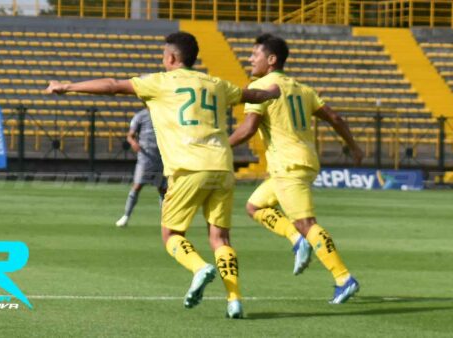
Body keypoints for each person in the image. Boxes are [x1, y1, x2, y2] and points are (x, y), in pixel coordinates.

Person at [45, 31, 280, 318]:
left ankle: (199, 267)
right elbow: (251, 94)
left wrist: (67, 86)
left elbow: (112, 85)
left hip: (188, 168)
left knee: (171, 234)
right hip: (222, 165)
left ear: (170, 57)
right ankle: (235, 300)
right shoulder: (216, 83)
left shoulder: (159, 82)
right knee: (220, 239)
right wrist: (270, 94)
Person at [228, 34, 364, 304]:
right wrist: (355, 147)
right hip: (302, 162)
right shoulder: (302, 88)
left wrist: (220, 145)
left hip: (288, 165)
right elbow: (335, 117)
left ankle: (343, 278)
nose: (250, 59)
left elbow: (249, 128)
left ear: (271, 59)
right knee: (255, 206)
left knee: (306, 224)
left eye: (254, 54)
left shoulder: (261, 87)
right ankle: (296, 239)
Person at [115, 108, 167, 228]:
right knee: (137, 186)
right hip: (145, 157)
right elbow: (130, 135)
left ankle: (165, 219)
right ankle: (126, 216)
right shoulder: (140, 116)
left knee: (162, 189)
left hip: (160, 157)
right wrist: (133, 143)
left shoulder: (163, 113)